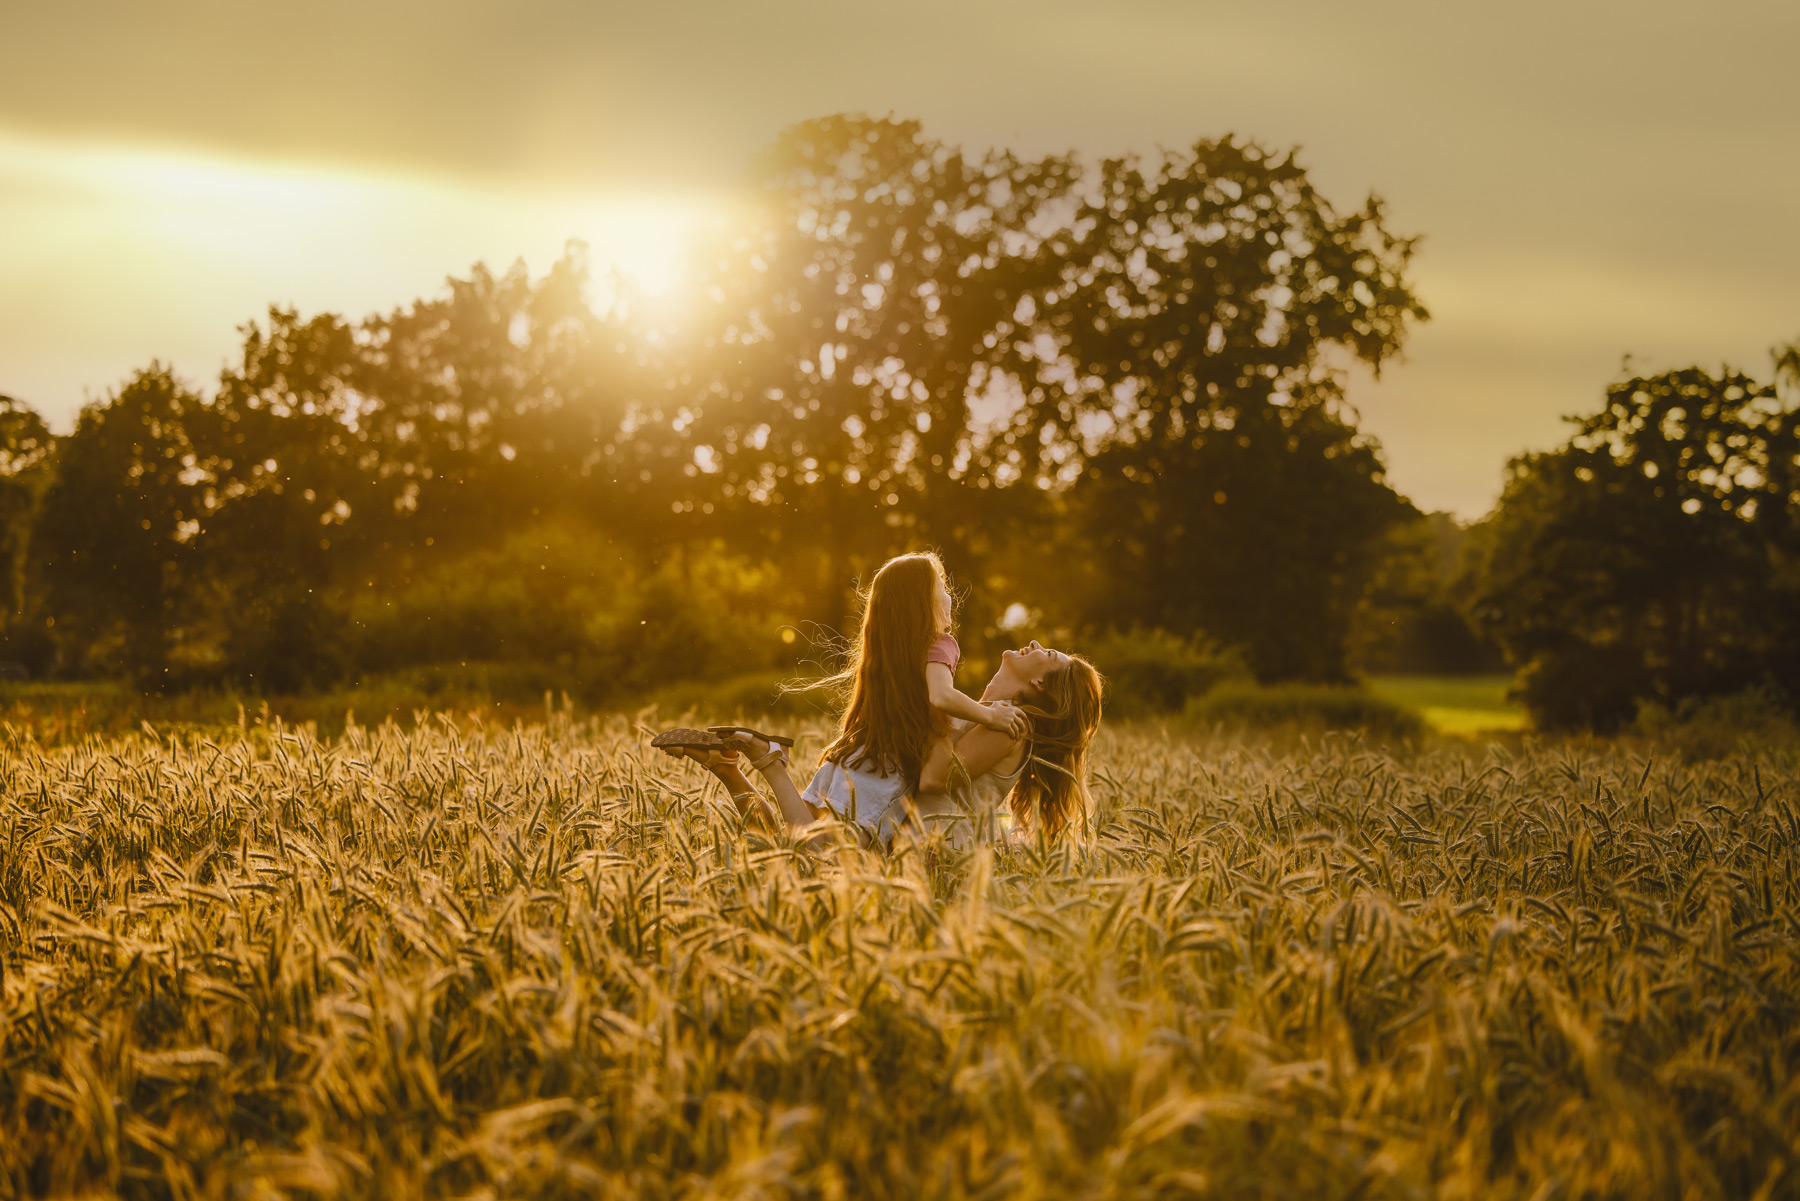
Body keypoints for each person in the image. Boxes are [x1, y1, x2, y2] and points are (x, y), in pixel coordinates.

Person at [656, 629, 1104, 850]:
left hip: (933, 851)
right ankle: (739, 765)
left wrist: (945, 708)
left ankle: (751, 762)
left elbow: (933, 779)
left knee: (797, 851)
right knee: (789, 849)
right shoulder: (991, 716)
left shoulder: (1012, 728)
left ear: (1044, 685)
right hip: (905, 834)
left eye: (1047, 654)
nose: (1033, 642)